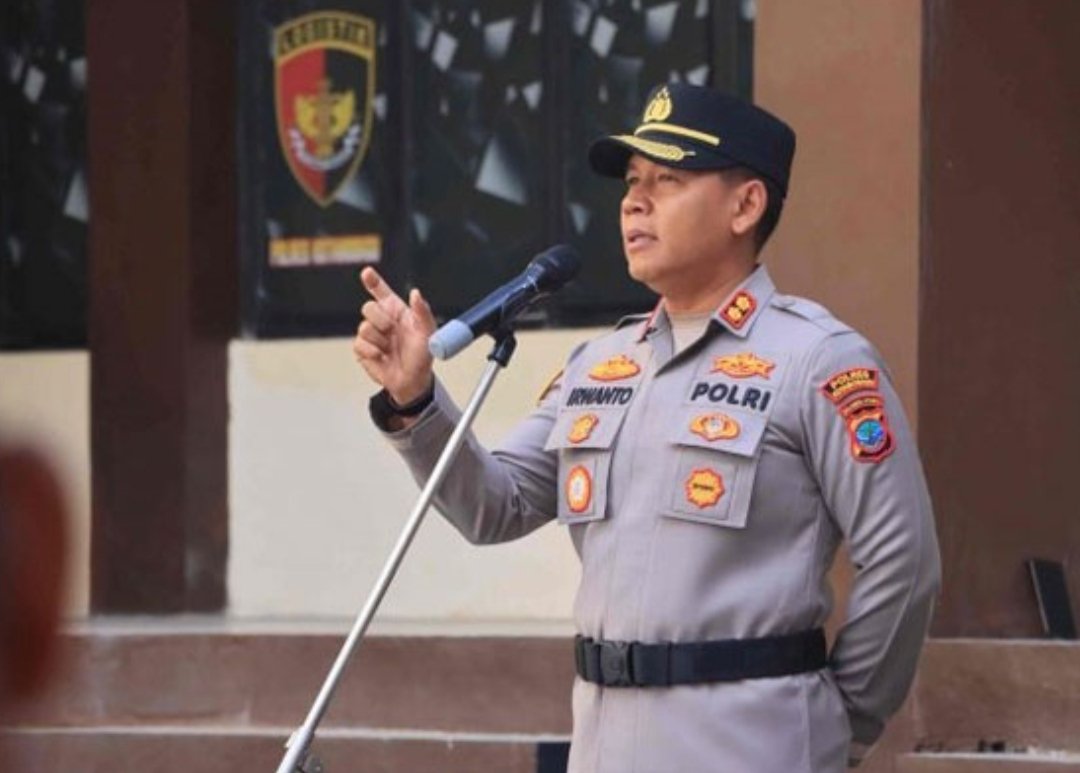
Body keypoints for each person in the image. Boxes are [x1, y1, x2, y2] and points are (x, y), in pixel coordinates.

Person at [353, 83, 941, 772]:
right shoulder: (600, 364)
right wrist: (417, 399)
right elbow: (495, 505)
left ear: (746, 206)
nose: (635, 201)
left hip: (753, 744)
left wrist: (843, 721)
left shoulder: (817, 359)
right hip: (605, 743)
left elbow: (904, 562)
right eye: (632, 182)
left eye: (669, 179)